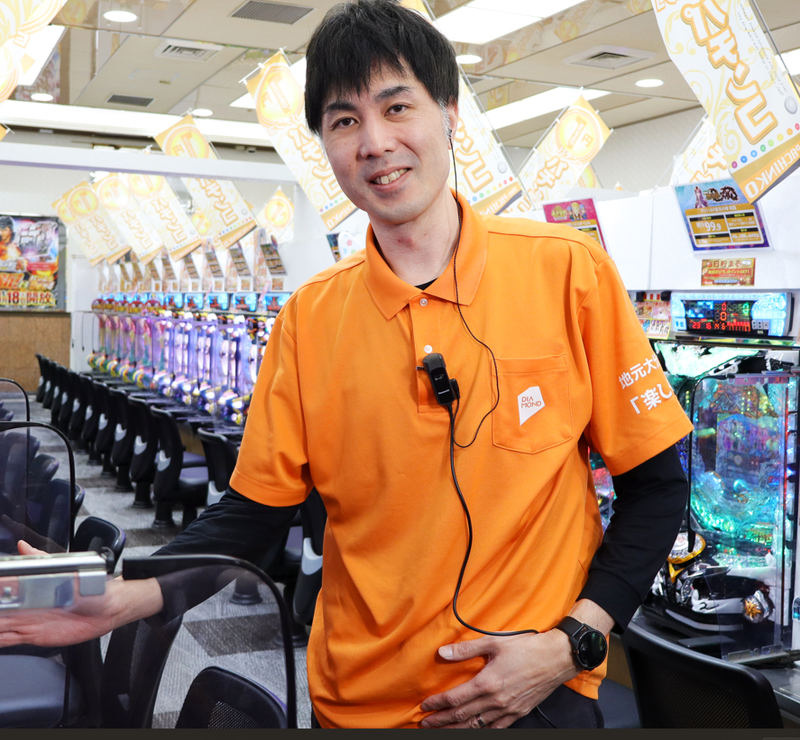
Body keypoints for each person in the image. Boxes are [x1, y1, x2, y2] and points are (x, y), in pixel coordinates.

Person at [0, 0, 693, 729]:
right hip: (360, 702)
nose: (376, 142)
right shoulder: (309, 319)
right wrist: (126, 593)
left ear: (450, 113)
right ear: (325, 147)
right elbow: (255, 513)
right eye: (344, 121)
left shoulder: (570, 272)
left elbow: (657, 486)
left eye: (397, 107)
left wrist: (573, 642)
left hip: (533, 695)